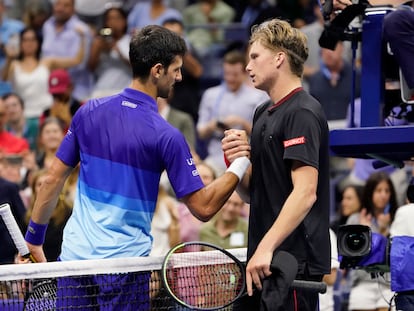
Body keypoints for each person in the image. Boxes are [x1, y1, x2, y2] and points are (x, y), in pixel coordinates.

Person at [21, 25, 250, 309]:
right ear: (157, 70)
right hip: (126, 271)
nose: (179, 76)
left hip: (74, 265)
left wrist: (34, 240)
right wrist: (239, 164)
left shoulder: (88, 112)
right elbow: (203, 208)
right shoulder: (167, 136)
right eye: (175, 69)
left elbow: (51, 181)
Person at [222, 18, 331, 310]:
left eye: (255, 56)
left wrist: (266, 248)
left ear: (279, 57)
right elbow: (250, 194)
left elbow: (306, 192)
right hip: (264, 261)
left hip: (292, 263)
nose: (248, 66)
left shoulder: (303, 112)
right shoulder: (262, 112)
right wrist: (237, 160)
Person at [197, 49, 268, 176]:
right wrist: (212, 125)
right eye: (227, 73)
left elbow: (264, 133)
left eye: (235, 74)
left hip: (245, 157)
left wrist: (241, 123)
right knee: (202, 176)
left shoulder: (258, 97)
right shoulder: (210, 95)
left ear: (244, 73)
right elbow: (201, 132)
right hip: (215, 157)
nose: (230, 78)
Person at [346, 171, 398, 311]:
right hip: (363, 281)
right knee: (358, 301)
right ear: (370, 192)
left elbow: (397, 254)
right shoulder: (355, 219)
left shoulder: (396, 219)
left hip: (389, 283)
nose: (383, 195)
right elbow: (352, 255)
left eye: (387, 191)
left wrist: (384, 230)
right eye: (379, 190)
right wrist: (365, 231)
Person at [88, 4, 131, 98]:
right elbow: (91, 67)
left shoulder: (131, 41)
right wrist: (97, 48)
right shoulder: (100, 42)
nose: (113, 22)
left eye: (117, 18)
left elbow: (136, 66)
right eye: (110, 18)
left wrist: (117, 50)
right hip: (101, 90)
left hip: (123, 91)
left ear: (124, 21)